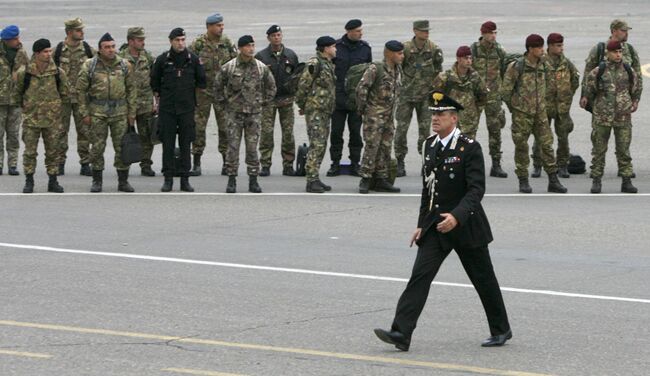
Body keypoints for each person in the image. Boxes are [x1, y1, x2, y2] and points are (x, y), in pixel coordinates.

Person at [374, 92, 511, 351]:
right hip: (436, 226)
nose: (434, 118)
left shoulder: (469, 147)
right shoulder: (430, 144)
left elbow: (476, 190)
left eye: (440, 114)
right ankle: (401, 332)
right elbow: (428, 189)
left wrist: (456, 217)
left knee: (484, 279)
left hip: (466, 224)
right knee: (419, 276)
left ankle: (501, 329)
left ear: (454, 118)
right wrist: (420, 223)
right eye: (433, 114)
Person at [501, 34, 567, 194]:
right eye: (539, 47)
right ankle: (523, 180)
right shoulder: (517, 67)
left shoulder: (544, 64)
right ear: (530, 49)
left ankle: (553, 179)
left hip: (540, 113)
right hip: (522, 115)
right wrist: (515, 108)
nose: (542, 50)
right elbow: (505, 91)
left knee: (547, 146)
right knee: (522, 147)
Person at [216, 35, 276, 193]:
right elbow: (217, 85)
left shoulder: (260, 67)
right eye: (248, 46)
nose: (251, 49)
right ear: (241, 48)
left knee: (252, 147)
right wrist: (224, 104)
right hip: (234, 114)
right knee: (233, 147)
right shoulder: (230, 67)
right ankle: (231, 179)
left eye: (253, 45)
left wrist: (263, 102)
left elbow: (271, 86)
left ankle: (253, 180)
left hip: (253, 115)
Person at [77, 33, 136, 193]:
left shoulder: (124, 65)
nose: (111, 50)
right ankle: (97, 181)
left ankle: (123, 181)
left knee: (122, 148)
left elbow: (131, 90)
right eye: (107, 47)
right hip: (97, 113)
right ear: (100, 49)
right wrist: (84, 113)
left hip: (120, 113)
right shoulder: (90, 65)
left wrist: (132, 113)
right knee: (97, 147)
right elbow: (80, 91)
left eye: (113, 46)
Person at [582, 19, 642, 179]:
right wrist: (586, 97)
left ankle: (625, 173)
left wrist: (636, 98)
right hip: (603, 106)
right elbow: (589, 74)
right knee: (599, 142)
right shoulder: (600, 49)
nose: (626, 33)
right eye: (623, 30)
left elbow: (637, 76)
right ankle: (597, 175)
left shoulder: (629, 50)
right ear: (614, 30)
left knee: (623, 144)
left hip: (622, 107)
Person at [151, 27, 206, 192]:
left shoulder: (193, 59)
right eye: (177, 40)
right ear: (171, 41)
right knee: (167, 145)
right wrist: (158, 101)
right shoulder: (162, 60)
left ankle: (185, 179)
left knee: (185, 144)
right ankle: (168, 178)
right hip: (167, 110)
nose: (181, 43)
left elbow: (202, 82)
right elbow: (154, 82)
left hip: (186, 109)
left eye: (183, 40)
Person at [16, 39, 68, 193]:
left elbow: (65, 95)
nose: (49, 54)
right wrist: (26, 110)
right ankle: (29, 181)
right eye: (45, 52)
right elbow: (17, 94)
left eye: (50, 51)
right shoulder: (25, 73)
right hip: (31, 120)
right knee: (30, 152)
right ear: (37, 53)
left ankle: (53, 180)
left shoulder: (58, 72)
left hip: (52, 121)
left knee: (53, 152)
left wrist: (57, 112)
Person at [189, 12, 238, 176]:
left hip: (222, 93)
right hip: (202, 92)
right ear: (209, 26)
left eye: (222, 25)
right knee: (198, 127)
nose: (221, 28)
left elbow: (236, 64)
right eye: (218, 25)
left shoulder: (227, 43)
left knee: (224, 127)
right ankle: (196, 161)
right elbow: (189, 65)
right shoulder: (198, 44)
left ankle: (226, 162)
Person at [394, 20, 443, 177]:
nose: (426, 33)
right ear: (415, 31)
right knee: (401, 130)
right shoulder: (406, 48)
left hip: (425, 97)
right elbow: (397, 67)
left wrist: (435, 91)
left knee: (425, 132)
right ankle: (400, 161)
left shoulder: (434, 49)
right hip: (406, 96)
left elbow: (438, 71)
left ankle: (426, 162)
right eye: (423, 30)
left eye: (427, 30)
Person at [356, 40, 404, 194]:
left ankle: (381, 178)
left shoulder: (397, 69)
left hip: (389, 116)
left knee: (385, 147)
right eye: (399, 53)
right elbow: (361, 89)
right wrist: (363, 109)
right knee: (372, 146)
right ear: (389, 53)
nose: (402, 56)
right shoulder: (376, 68)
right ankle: (366, 178)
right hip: (374, 116)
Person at [531, 33, 579, 179]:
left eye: (562, 45)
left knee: (563, 138)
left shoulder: (566, 63)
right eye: (558, 46)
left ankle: (563, 166)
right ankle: (538, 165)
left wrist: (568, 95)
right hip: (545, 106)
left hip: (562, 107)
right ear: (550, 46)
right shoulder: (541, 62)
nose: (561, 48)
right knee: (541, 138)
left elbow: (575, 80)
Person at [328, 19, 371, 177]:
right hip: (338, 98)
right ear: (349, 31)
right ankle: (335, 163)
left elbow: (368, 73)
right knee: (336, 132)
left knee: (355, 133)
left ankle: (355, 163)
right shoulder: (336, 47)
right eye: (358, 31)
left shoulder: (365, 49)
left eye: (361, 30)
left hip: (356, 99)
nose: (361, 33)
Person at [255, 25, 299, 177]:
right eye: (273, 35)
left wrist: (296, 95)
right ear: (268, 38)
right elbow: (256, 79)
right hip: (268, 101)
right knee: (266, 133)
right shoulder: (261, 56)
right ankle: (265, 164)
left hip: (286, 99)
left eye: (279, 35)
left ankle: (288, 164)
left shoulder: (290, 55)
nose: (276, 38)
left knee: (288, 134)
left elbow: (296, 77)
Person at [295, 36, 337, 193]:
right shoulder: (315, 64)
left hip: (324, 110)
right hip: (316, 110)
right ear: (325, 48)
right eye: (333, 47)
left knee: (321, 144)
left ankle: (315, 177)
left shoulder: (328, 63)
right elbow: (303, 85)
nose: (335, 49)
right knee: (316, 144)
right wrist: (302, 105)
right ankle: (311, 180)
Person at [54, 17, 95, 176]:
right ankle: (59, 162)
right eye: (78, 30)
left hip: (82, 99)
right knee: (60, 131)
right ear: (70, 32)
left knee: (85, 131)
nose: (82, 32)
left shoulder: (88, 50)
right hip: (62, 99)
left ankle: (85, 163)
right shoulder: (57, 51)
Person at [470, 21, 508, 178]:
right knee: (470, 130)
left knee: (495, 129)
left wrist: (503, 92)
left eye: (495, 33)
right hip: (476, 96)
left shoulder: (499, 50)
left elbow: (506, 70)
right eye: (490, 33)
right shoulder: (473, 50)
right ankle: (470, 164)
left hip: (493, 96)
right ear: (483, 33)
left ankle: (496, 164)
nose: (493, 36)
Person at [118, 27, 156, 177]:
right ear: (130, 41)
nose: (143, 43)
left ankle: (146, 164)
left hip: (145, 102)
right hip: (126, 104)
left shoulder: (147, 57)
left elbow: (155, 79)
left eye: (143, 40)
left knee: (147, 135)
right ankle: (123, 164)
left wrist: (155, 101)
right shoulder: (120, 58)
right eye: (140, 40)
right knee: (123, 136)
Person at [432, 45, 487, 139]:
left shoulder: (475, 77)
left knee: (468, 151)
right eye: (466, 58)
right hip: (449, 123)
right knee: (449, 150)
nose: (469, 61)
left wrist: (475, 112)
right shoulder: (446, 77)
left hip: (469, 123)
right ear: (458, 59)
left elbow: (482, 96)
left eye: (470, 58)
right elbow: (434, 97)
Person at [0, 25, 29, 176]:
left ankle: (12, 164)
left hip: (16, 100)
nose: (18, 40)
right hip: (0, 100)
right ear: (6, 40)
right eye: (15, 38)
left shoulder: (22, 53)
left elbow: (28, 75)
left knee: (13, 134)